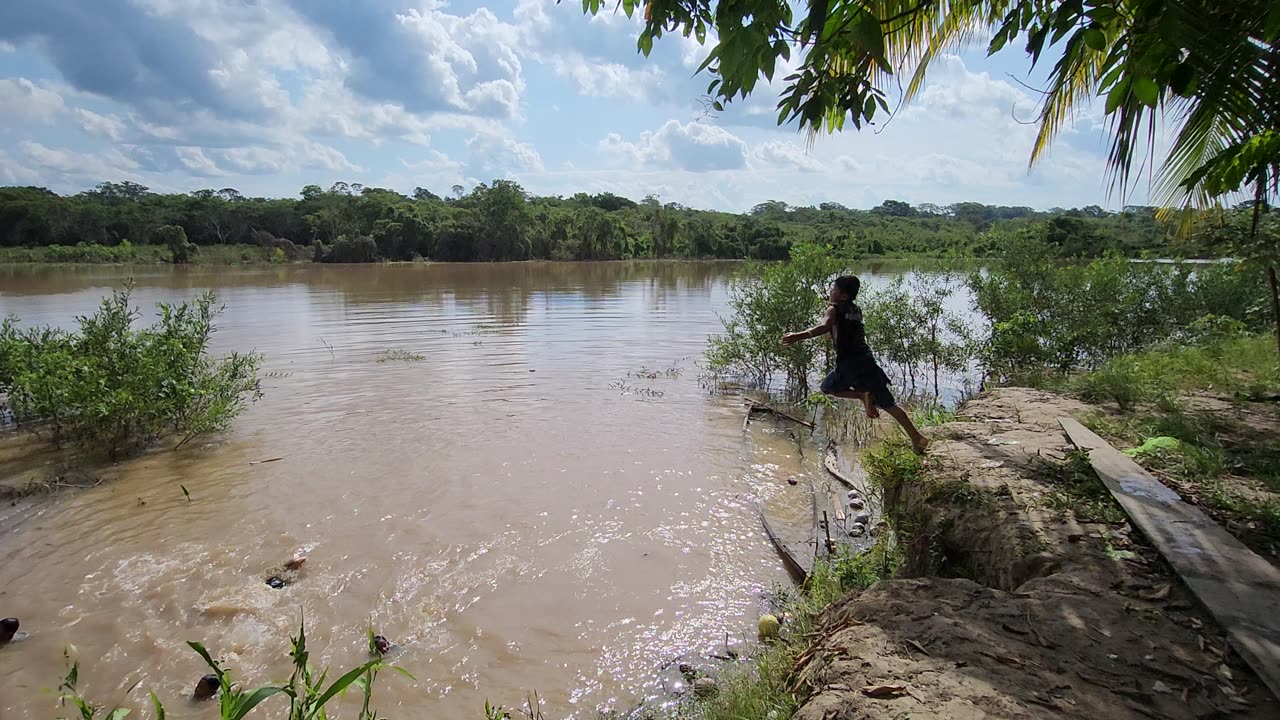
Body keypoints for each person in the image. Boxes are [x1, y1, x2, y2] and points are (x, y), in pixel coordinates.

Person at [781, 275, 929, 453]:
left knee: (828, 387)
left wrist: (799, 335)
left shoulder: (833, 309)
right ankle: (917, 438)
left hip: (849, 363)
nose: (831, 291)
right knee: (889, 404)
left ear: (842, 295)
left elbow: (824, 325)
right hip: (867, 360)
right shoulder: (856, 310)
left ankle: (861, 395)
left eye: (834, 289)